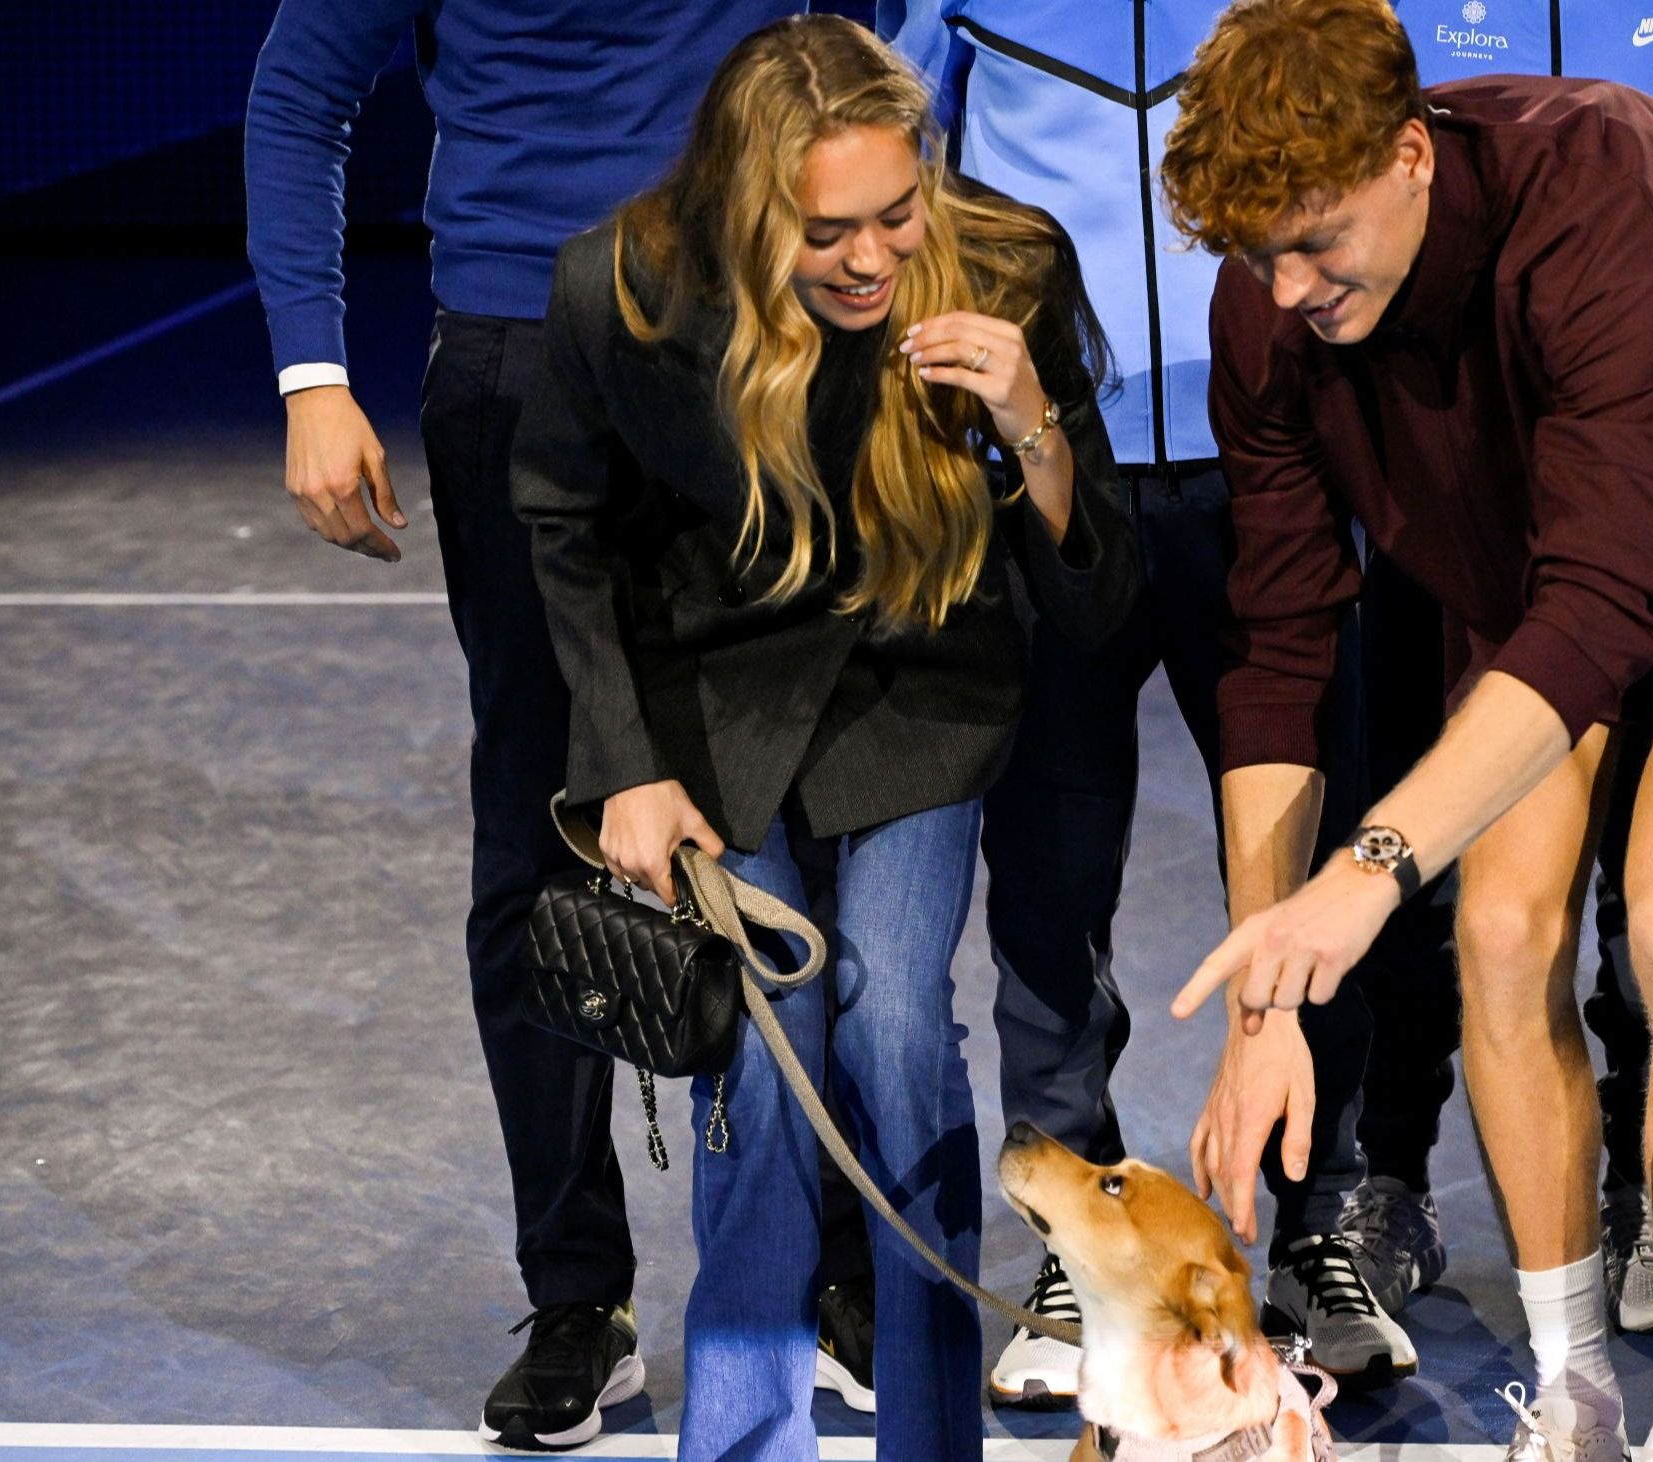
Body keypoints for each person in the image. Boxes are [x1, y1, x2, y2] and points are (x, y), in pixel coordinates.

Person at [1157, 2, 1653, 1456]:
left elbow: (1610, 605)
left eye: (1316, 238)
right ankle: (1575, 1388)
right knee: (1499, 933)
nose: (1288, 285)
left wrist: (1362, 877)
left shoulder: (1604, 194)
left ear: (1412, 156)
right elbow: (1282, 642)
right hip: (1531, 545)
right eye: (1258, 255)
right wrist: (1267, 1000)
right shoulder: (1275, 305)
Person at [507, 18, 1135, 1459]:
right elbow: (564, 525)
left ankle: (930, 1440)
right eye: (827, 230)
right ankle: (743, 1436)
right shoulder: (626, 286)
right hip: (712, 711)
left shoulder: (1011, 264)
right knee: (768, 1048)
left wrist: (1030, 416)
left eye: (896, 215)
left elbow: (1097, 595)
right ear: (747, 206)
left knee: (898, 1022)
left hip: (924, 695)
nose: (870, 259)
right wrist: (625, 762)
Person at [243, 0, 812, 1447]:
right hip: (514, 353)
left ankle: (827, 1268)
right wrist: (314, 373)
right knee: (541, 829)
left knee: (790, 815)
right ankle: (580, 1295)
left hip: (739, 346)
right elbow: (301, 93)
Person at [878, 0, 1427, 1400]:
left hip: (1278, 474)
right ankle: (1075, 1237)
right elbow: (891, 168)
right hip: (1052, 481)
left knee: (1318, 856)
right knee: (1051, 882)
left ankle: (1316, 1226)